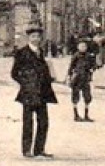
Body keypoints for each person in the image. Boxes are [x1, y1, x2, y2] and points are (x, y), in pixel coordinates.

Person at [11, 24, 57, 158]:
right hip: (29, 93)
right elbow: (14, 73)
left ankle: (39, 149)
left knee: (44, 121)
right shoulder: (21, 53)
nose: (36, 39)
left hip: (42, 92)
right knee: (28, 122)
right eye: (33, 36)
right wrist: (26, 83)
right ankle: (26, 150)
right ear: (28, 38)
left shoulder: (41, 52)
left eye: (38, 36)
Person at [67, 38, 98, 122]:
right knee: (75, 96)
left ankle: (86, 115)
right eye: (81, 46)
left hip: (86, 78)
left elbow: (94, 65)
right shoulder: (76, 56)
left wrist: (92, 69)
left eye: (84, 46)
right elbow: (71, 67)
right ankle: (76, 115)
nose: (83, 47)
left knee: (87, 96)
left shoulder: (89, 56)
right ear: (78, 47)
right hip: (77, 78)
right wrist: (69, 76)